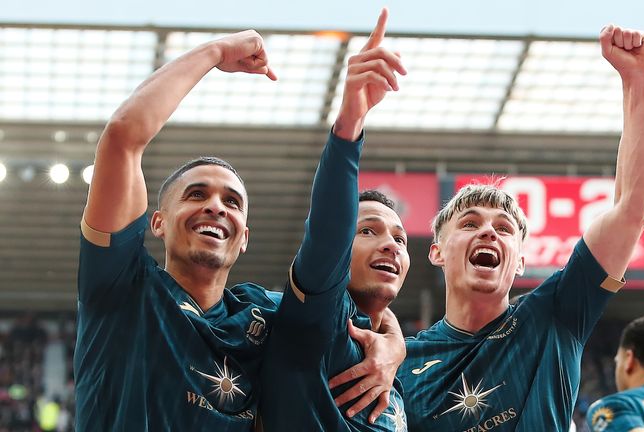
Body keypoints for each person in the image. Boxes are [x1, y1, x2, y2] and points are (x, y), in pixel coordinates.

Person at [76, 28, 402, 431]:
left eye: (232, 202)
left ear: (244, 236)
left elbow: (331, 289)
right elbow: (122, 137)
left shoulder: (259, 317)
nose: (216, 206)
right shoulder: (121, 288)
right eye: (196, 194)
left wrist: (393, 343)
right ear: (156, 222)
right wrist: (214, 51)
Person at [397, 24, 644, 431]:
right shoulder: (400, 361)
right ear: (437, 251)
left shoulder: (555, 313)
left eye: (504, 228)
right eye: (470, 223)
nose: (489, 232)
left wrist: (636, 80)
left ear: (520, 261)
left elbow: (634, 208)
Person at [259, 10, 411, 431]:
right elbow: (327, 235)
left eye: (400, 238)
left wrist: (395, 345)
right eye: (367, 231)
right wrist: (349, 126)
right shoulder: (318, 319)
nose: (391, 245)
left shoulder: (396, 372)